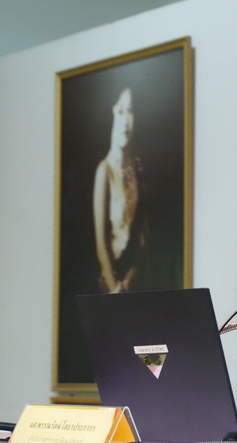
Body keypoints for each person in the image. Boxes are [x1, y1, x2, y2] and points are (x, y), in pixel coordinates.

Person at [93, 87, 148, 293]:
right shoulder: (104, 171)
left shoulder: (138, 169)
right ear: (112, 114)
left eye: (130, 111)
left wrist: (129, 280)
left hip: (135, 284)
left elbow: (143, 236)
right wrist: (116, 289)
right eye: (120, 111)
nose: (125, 120)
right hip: (109, 287)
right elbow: (101, 245)